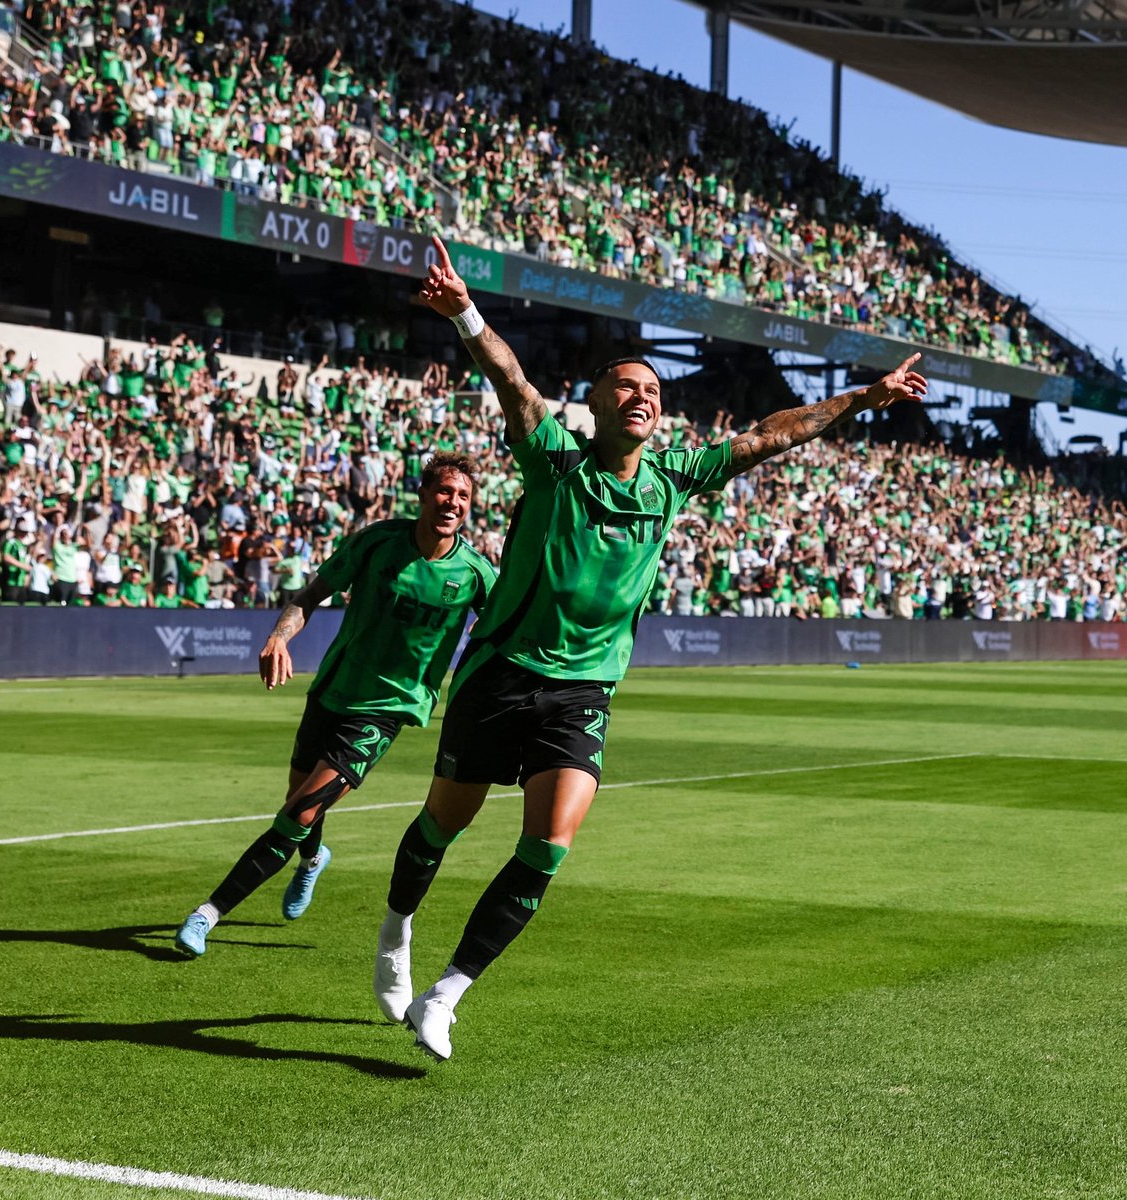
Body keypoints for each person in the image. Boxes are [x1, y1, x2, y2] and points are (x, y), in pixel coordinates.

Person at [375, 236, 928, 1060]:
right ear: (594, 403)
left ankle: (447, 993)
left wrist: (862, 397)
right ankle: (394, 934)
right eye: (624, 385)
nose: (641, 396)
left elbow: (772, 434)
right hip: (502, 673)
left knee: (548, 846)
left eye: (652, 390)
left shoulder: (672, 478)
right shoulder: (555, 461)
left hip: (581, 691)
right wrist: (465, 313)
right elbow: (512, 383)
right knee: (442, 824)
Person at [174, 452, 497, 958]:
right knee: (297, 799)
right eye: (444, 492)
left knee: (300, 811)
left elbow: (502, 631)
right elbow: (310, 595)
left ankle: (205, 914)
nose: (452, 502)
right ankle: (311, 861)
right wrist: (279, 638)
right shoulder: (376, 543)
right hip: (333, 690)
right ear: (423, 495)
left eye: (462, 496)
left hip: (390, 707)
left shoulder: (476, 572)